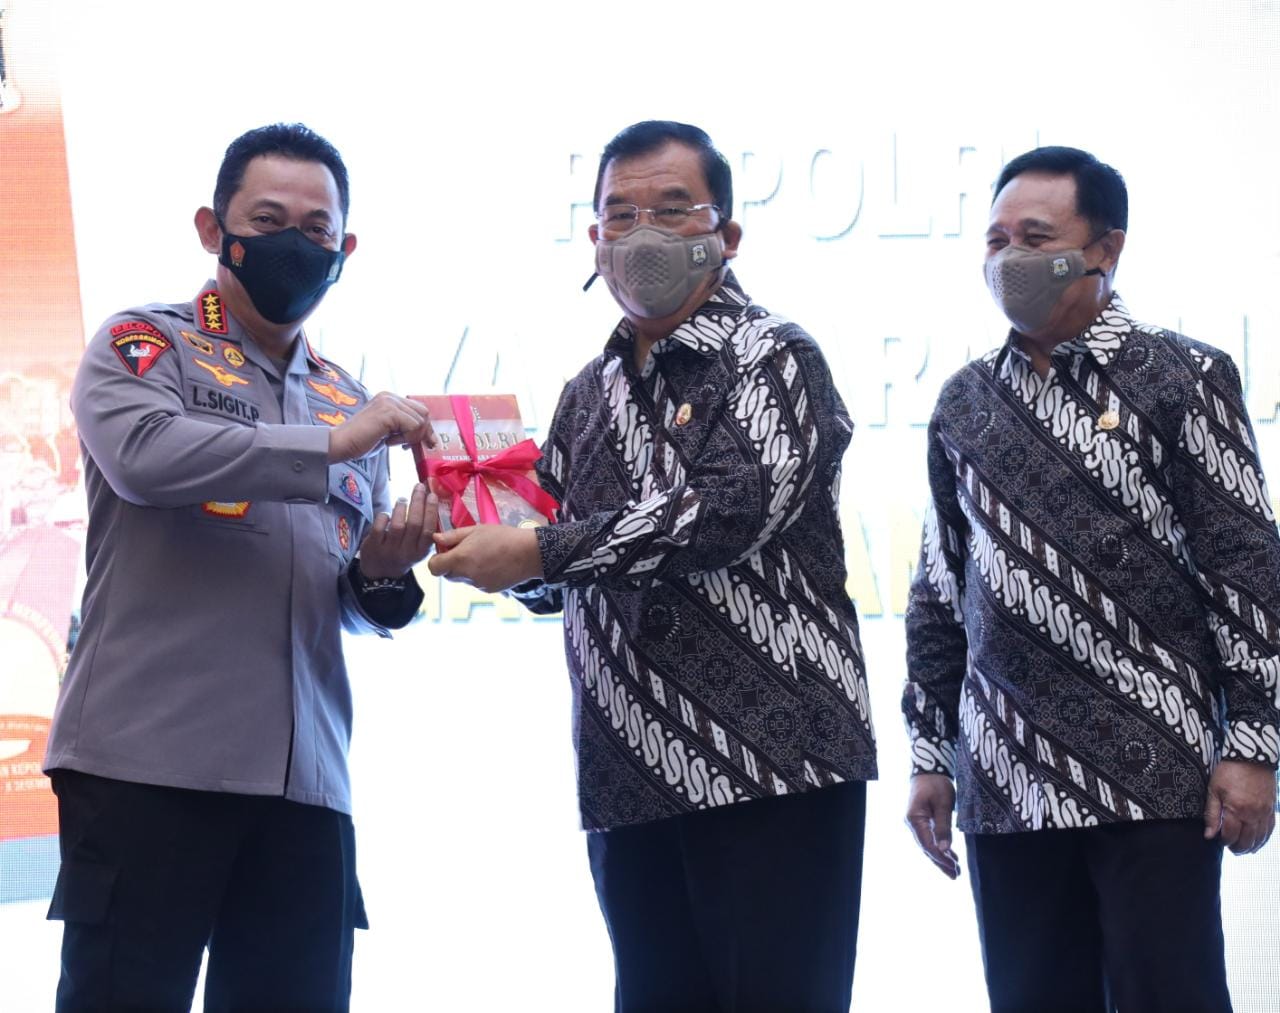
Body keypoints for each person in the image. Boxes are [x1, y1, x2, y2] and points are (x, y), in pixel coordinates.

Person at [430, 120, 877, 1012]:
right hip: (628, 767)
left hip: (772, 762)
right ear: (593, 237)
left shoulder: (775, 355)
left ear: (726, 234)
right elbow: (556, 572)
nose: (642, 235)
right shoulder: (586, 393)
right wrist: (469, 538)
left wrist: (538, 547)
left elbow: (725, 513)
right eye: (620, 214)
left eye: (672, 211)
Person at [43, 122, 437, 1012]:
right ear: (213, 228)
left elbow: (343, 593)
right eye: (269, 220)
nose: (296, 243)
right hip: (149, 767)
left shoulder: (346, 395)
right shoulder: (146, 345)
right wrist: (329, 445)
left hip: (307, 783)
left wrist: (382, 572)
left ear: (345, 250)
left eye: (317, 228)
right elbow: (144, 458)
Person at [903, 145, 1280, 1013]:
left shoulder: (1185, 377)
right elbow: (939, 593)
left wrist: (1254, 744)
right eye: (996, 239)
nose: (1009, 258)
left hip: (1153, 769)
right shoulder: (964, 400)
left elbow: (1246, 569)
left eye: (1036, 238)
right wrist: (931, 754)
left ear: (1106, 248)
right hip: (1006, 775)